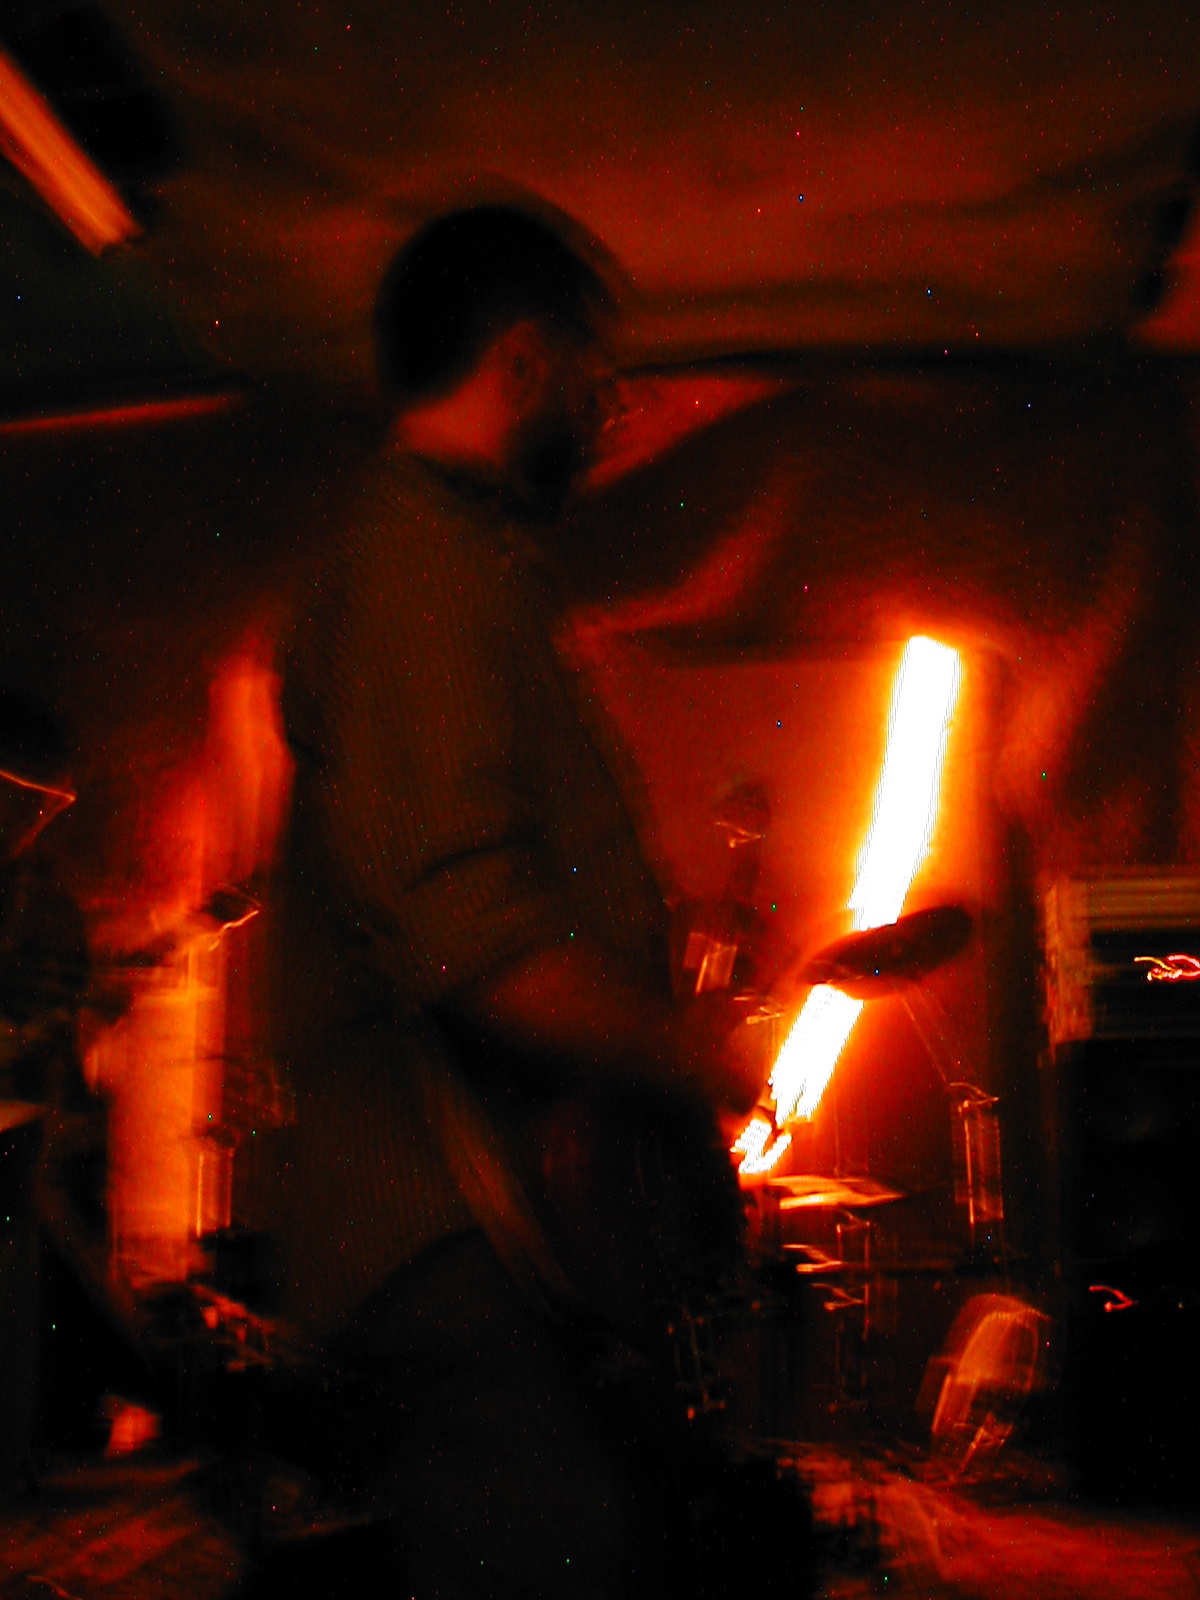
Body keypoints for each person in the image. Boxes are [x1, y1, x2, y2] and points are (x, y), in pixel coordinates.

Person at [259, 203, 765, 1599]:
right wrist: (689, 1052)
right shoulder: (417, 575)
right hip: (450, 1239)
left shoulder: (456, 567)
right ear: (527, 361)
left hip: (493, 1235)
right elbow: (469, 935)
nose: (608, 415)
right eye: (602, 379)